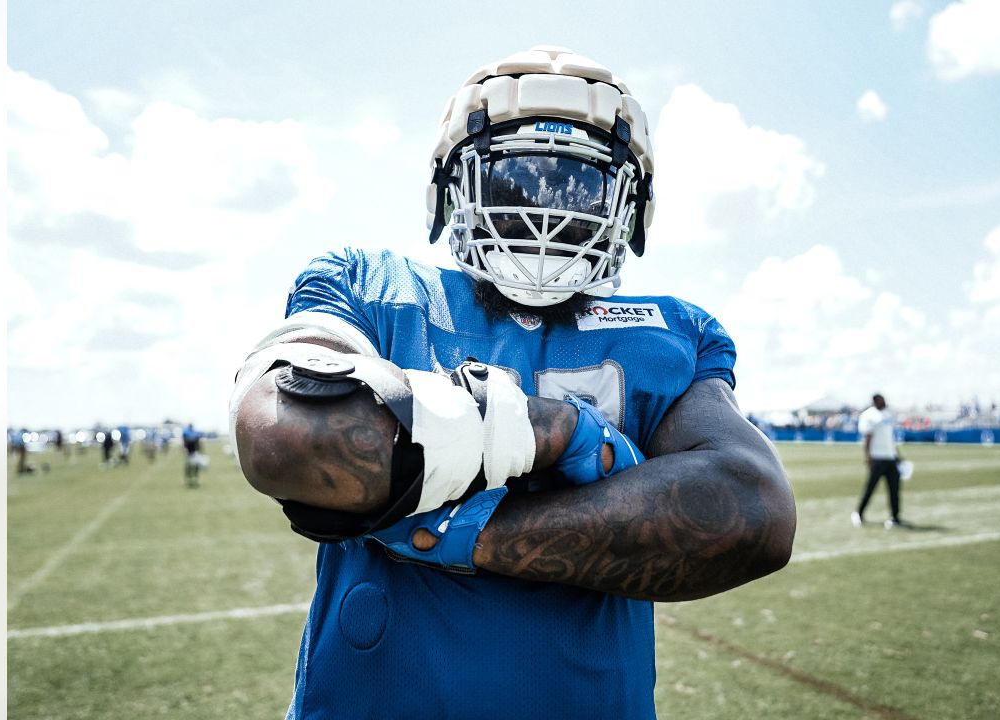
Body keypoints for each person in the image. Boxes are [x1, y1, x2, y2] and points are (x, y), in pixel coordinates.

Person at [229, 46, 796, 719]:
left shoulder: (674, 331)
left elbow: (751, 513)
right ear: (453, 187)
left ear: (627, 204)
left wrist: (455, 526)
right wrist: (573, 438)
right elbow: (284, 437)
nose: (545, 210)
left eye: (577, 187)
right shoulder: (371, 285)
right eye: (517, 179)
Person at [852, 393, 906, 528]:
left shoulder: (888, 414)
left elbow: (890, 438)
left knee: (894, 490)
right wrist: (868, 457)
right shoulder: (868, 415)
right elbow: (867, 438)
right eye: (882, 400)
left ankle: (895, 517)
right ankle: (858, 513)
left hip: (890, 458)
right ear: (876, 401)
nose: (885, 402)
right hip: (877, 458)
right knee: (870, 488)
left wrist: (897, 455)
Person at [182, 422, 202, 488]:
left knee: (195, 466)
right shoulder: (186, 433)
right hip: (189, 453)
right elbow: (184, 442)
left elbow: (198, 443)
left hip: (194, 452)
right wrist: (185, 450)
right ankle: (189, 480)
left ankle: (194, 479)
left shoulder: (194, 433)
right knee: (189, 467)